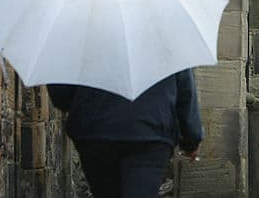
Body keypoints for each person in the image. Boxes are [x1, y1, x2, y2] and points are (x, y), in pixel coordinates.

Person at [48, 69, 203, 198]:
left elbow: (60, 93)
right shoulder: (166, 35)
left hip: (96, 131)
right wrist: (191, 139)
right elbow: (185, 91)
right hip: (150, 133)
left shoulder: (83, 35)